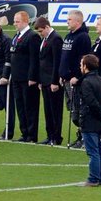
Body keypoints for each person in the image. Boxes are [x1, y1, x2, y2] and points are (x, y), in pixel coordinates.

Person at [75, 54, 101, 186]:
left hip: (90, 120)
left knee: (93, 152)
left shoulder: (86, 82)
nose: (80, 66)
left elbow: (91, 102)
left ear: (86, 66)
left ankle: (93, 178)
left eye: (81, 64)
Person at [4, 10, 40, 142]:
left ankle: (31, 135)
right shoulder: (16, 36)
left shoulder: (32, 36)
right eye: (14, 21)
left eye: (17, 21)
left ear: (25, 21)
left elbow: (34, 59)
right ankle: (24, 133)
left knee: (29, 107)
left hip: (27, 79)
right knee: (20, 106)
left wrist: (32, 77)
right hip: (16, 78)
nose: (14, 24)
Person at [59, 9, 92, 149]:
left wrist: (78, 77)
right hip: (66, 80)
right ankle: (81, 135)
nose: (67, 22)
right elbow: (65, 57)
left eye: (70, 20)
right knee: (72, 110)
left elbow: (83, 59)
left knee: (78, 110)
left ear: (78, 21)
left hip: (75, 81)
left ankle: (85, 137)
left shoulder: (83, 37)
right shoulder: (68, 36)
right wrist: (62, 75)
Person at [34, 16, 64, 145]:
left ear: (47, 27)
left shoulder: (56, 39)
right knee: (47, 110)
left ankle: (56, 136)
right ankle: (49, 135)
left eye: (41, 31)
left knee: (55, 110)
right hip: (45, 81)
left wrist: (55, 81)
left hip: (52, 82)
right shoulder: (45, 39)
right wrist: (40, 80)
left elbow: (57, 62)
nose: (40, 34)